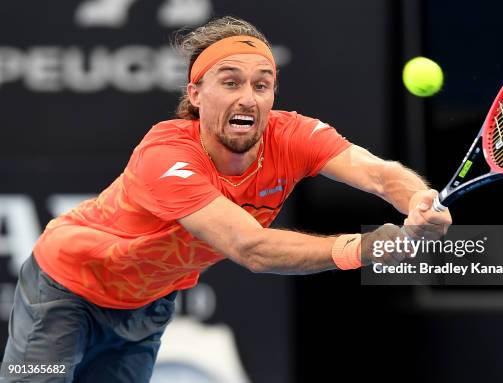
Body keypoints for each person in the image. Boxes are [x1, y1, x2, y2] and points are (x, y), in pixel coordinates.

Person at [1, 16, 452, 382]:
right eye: (230, 82)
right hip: (65, 288)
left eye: (262, 84)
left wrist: (416, 199)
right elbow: (251, 248)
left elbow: (377, 173)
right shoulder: (166, 156)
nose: (249, 98)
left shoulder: (294, 134)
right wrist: (364, 249)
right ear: (196, 95)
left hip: (145, 305)